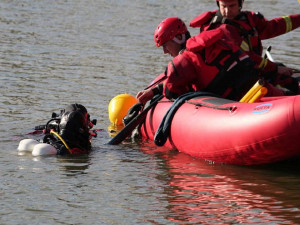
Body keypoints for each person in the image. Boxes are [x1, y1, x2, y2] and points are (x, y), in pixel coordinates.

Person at [136, 17, 284, 104]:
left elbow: (171, 92)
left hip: (240, 104)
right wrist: (154, 89)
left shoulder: (183, 62)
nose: (165, 52)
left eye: (166, 46)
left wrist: (154, 93)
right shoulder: (213, 42)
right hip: (260, 88)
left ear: (179, 38)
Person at [189, 0, 300, 93]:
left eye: (232, 6)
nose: (227, 11)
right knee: (284, 90)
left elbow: (272, 27)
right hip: (234, 80)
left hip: (254, 70)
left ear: (240, 4)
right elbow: (246, 57)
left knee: (290, 79)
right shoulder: (218, 29)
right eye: (223, 6)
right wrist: (275, 68)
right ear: (218, 4)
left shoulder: (248, 19)